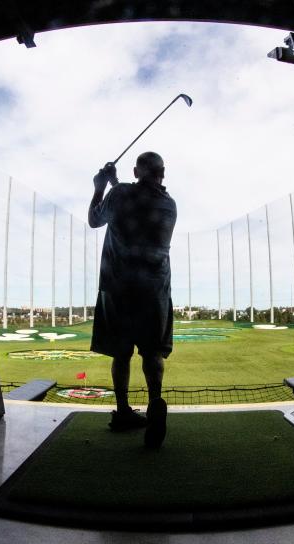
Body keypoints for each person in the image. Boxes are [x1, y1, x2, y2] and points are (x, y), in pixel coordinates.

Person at [88, 152, 177, 449]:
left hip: (119, 288)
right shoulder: (169, 205)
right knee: (152, 353)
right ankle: (154, 404)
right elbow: (135, 200)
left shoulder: (120, 193)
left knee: (121, 353)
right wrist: (116, 184)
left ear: (138, 170)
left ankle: (124, 410)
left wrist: (101, 186)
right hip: (154, 290)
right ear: (162, 173)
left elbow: (95, 219)